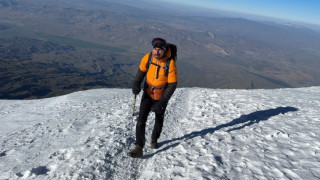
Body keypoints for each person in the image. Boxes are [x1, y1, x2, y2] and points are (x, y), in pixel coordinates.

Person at [128, 38, 178, 158]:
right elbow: (141, 72)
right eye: (155, 49)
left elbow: (172, 85)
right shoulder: (148, 57)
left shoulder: (170, 63)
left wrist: (161, 102)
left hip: (161, 95)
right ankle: (139, 147)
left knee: (158, 119)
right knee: (141, 120)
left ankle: (154, 140)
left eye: (159, 50)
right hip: (148, 93)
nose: (156, 52)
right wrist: (136, 84)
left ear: (164, 50)